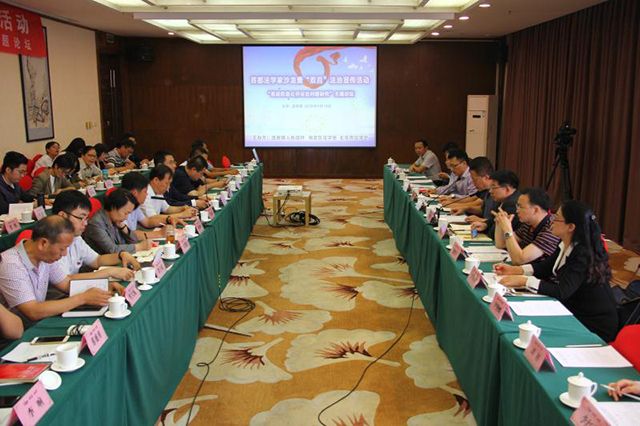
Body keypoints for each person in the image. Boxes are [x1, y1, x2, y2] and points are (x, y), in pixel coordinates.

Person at [495, 200, 618, 342]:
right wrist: (517, 270)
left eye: (557, 218)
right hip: (573, 310)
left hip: (593, 323)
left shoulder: (582, 255)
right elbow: (546, 268)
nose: (551, 221)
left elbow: (562, 291)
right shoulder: (566, 243)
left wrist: (525, 281)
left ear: (570, 227)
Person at [0, 216, 117, 321]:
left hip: (39, 320)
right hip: (19, 331)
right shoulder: (11, 264)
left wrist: (103, 286)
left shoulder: (45, 256)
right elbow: (33, 311)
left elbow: (66, 283)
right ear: (43, 243)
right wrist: (82, 298)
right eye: (62, 249)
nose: (64, 254)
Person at [52, 191, 139, 280]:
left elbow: (97, 260)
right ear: (62, 216)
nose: (85, 223)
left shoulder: (76, 238)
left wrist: (121, 255)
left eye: (86, 218)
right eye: (81, 218)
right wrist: (109, 272)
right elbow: (64, 280)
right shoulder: (51, 243)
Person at [494, 187, 561, 265]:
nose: (517, 211)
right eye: (517, 206)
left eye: (520, 207)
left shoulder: (552, 228)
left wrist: (507, 229)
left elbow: (519, 260)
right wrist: (499, 222)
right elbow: (500, 244)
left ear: (535, 210)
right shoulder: (529, 224)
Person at [83, 189, 152, 254]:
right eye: (125, 213)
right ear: (113, 207)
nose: (126, 217)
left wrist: (124, 228)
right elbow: (112, 250)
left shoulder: (115, 219)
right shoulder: (96, 224)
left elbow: (134, 241)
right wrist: (139, 246)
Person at [121, 172, 185, 239]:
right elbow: (128, 233)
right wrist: (159, 233)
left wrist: (168, 219)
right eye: (145, 191)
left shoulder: (134, 205)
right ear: (135, 193)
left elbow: (147, 221)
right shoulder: (121, 207)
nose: (146, 195)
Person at [469, 169, 520, 237]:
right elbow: (493, 220)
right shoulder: (502, 200)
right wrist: (485, 225)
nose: (490, 191)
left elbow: (495, 233)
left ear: (507, 189)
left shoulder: (512, 205)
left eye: (493, 187)